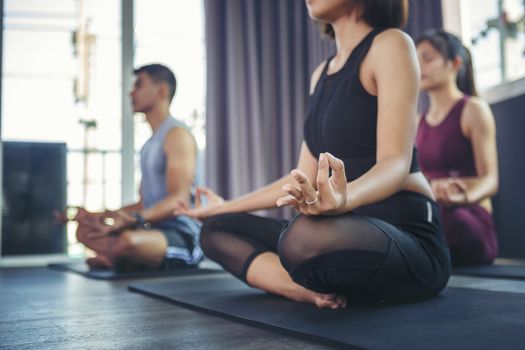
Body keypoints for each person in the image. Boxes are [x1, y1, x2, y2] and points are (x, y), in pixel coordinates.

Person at [177, 0, 451, 309]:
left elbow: (395, 164)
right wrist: (224, 207)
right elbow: (300, 177)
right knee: (216, 229)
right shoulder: (321, 73)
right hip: (341, 224)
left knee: (304, 238)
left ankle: (317, 277)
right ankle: (302, 289)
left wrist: (342, 200)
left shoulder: (390, 43)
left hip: (405, 232)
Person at [59, 64, 203, 271]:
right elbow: (145, 203)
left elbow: (178, 200)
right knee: (85, 230)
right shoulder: (148, 146)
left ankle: (117, 256)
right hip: (151, 229)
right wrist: (97, 215)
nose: (131, 92)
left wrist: (134, 219)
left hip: (183, 235)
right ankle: (120, 257)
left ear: (161, 91)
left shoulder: (177, 135)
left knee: (127, 242)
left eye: (139, 85)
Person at [415, 30, 499, 266]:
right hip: (436, 213)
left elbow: (491, 181)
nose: (420, 66)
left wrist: (460, 195)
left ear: (455, 63)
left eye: (428, 58)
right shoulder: (418, 122)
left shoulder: (473, 109)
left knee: (449, 218)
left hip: (468, 218)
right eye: (416, 59)